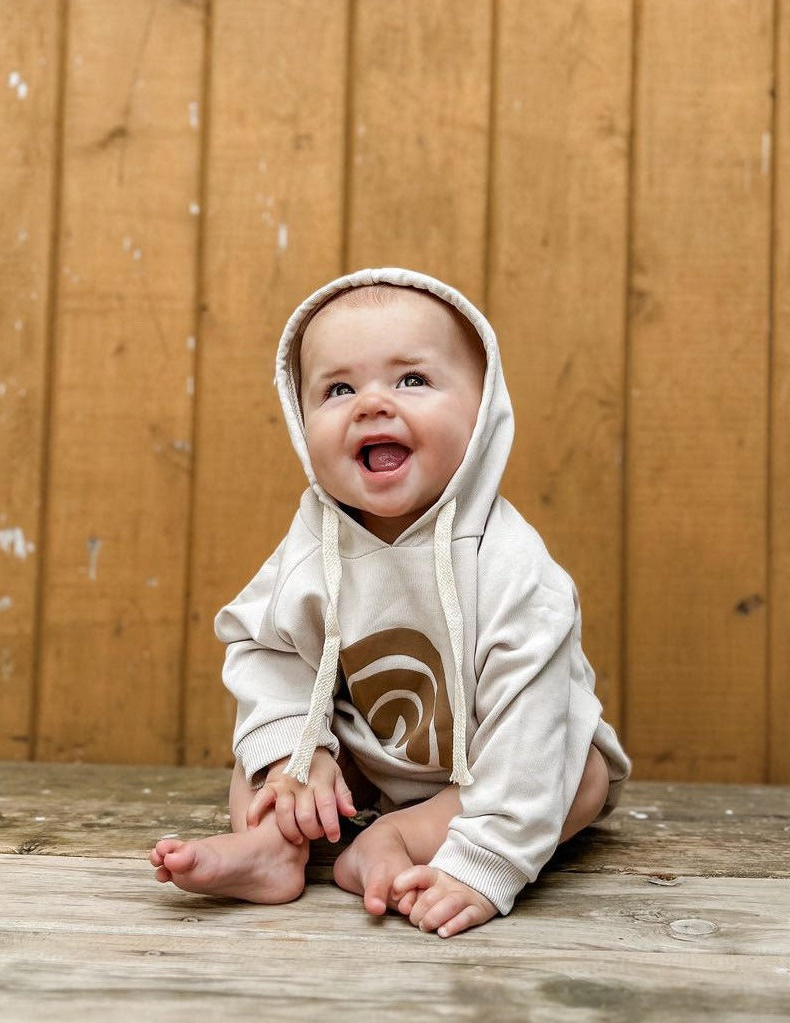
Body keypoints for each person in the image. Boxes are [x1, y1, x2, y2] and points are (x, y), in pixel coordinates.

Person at [150, 267, 630, 938]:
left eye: (411, 380)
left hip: (487, 772)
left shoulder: (514, 568)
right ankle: (269, 848)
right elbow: (264, 646)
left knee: (580, 773)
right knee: (268, 748)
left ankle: (401, 838)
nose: (371, 404)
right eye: (338, 388)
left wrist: (484, 867)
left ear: (482, 408)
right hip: (367, 762)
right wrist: (301, 753)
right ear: (300, 418)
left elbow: (528, 730)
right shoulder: (312, 546)